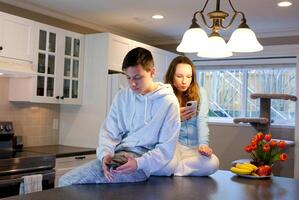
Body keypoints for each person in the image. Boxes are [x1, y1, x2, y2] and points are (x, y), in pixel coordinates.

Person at [59, 47, 180, 186]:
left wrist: (138, 163)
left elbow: (166, 148)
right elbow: (109, 132)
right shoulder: (122, 97)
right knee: (66, 181)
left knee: (70, 184)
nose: (132, 83)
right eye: (128, 77)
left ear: (152, 72)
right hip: (118, 155)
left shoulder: (168, 102)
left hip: (142, 163)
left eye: (137, 77)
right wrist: (105, 154)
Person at [164, 55, 219, 176]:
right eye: (179, 76)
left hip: (194, 148)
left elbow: (202, 121)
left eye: (189, 77)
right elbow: (159, 126)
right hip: (174, 147)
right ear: (171, 76)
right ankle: (182, 169)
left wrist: (203, 145)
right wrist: (176, 118)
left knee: (214, 163)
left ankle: (176, 170)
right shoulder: (165, 94)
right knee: (161, 162)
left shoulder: (201, 93)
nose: (184, 81)